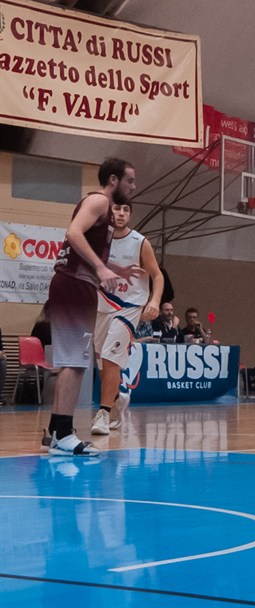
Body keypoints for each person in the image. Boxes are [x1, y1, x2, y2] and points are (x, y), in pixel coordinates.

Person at [42, 157, 141, 456]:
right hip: (74, 284)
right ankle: (62, 434)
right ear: (113, 180)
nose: (133, 186)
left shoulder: (103, 209)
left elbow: (84, 245)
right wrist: (100, 268)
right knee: (75, 362)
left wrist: (113, 268)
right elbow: (73, 233)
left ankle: (56, 431)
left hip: (76, 284)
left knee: (72, 361)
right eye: (130, 180)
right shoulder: (99, 201)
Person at [92, 198, 164, 435]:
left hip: (130, 306)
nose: (121, 213)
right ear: (109, 212)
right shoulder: (99, 240)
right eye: (117, 208)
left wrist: (154, 301)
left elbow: (158, 275)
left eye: (126, 210)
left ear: (130, 215)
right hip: (103, 304)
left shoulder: (140, 242)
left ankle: (103, 414)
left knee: (111, 357)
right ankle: (118, 398)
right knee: (103, 363)